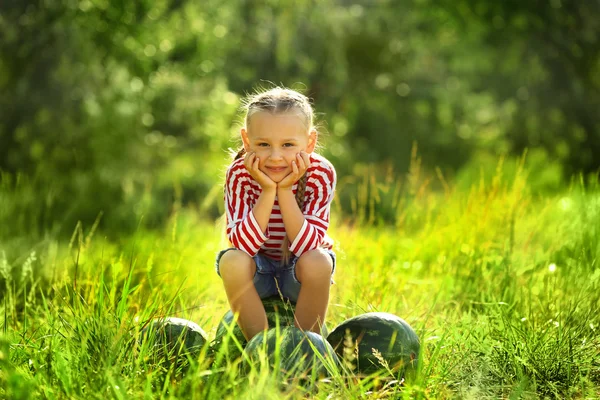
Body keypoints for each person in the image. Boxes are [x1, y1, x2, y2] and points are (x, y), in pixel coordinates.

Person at [215, 86, 337, 340]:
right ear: (247, 141)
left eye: (288, 144)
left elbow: (308, 247)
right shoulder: (239, 174)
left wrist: (287, 190)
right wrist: (269, 190)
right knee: (232, 261)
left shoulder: (321, 174)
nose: (276, 156)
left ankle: (305, 351)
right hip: (259, 273)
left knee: (319, 261)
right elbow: (243, 246)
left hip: (298, 276)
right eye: (263, 144)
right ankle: (261, 350)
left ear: (310, 142)